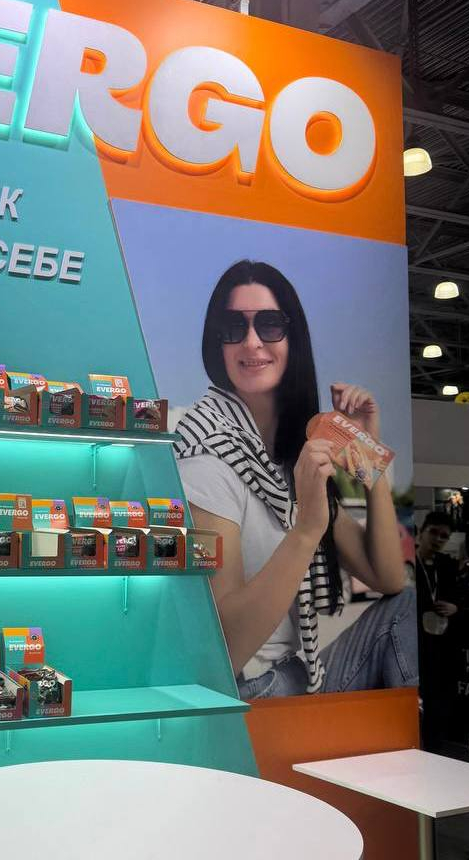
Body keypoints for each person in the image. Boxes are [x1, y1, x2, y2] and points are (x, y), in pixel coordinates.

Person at [175, 260, 416, 699]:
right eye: (233, 327)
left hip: (296, 675)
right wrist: (306, 530)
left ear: (294, 339)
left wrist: (368, 455)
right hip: (252, 690)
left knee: (406, 606)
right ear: (217, 343)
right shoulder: (207, 458)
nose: (251, 341)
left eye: (269, 324)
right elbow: (225, 652)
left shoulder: (288, 462)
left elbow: (388, 579)